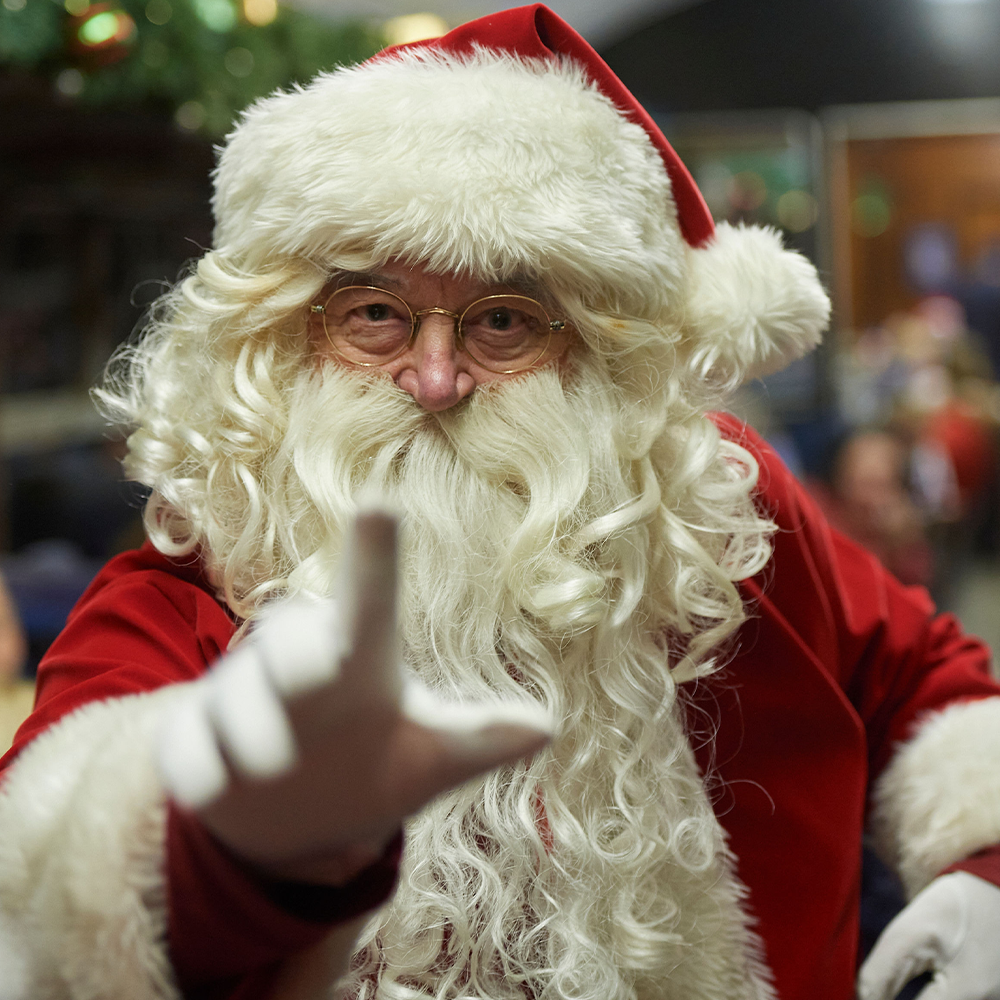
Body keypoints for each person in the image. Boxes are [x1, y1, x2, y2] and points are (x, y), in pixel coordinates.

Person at [2, 6, 1000, 1000]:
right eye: (375, 314)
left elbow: (928, 676)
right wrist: (239, 837)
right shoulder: (178, 594)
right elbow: (49, 894)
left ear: (594, 351)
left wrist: (983, 870)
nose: (435, 379)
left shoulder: (703, 514)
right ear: (285, 338)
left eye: (504, 320)